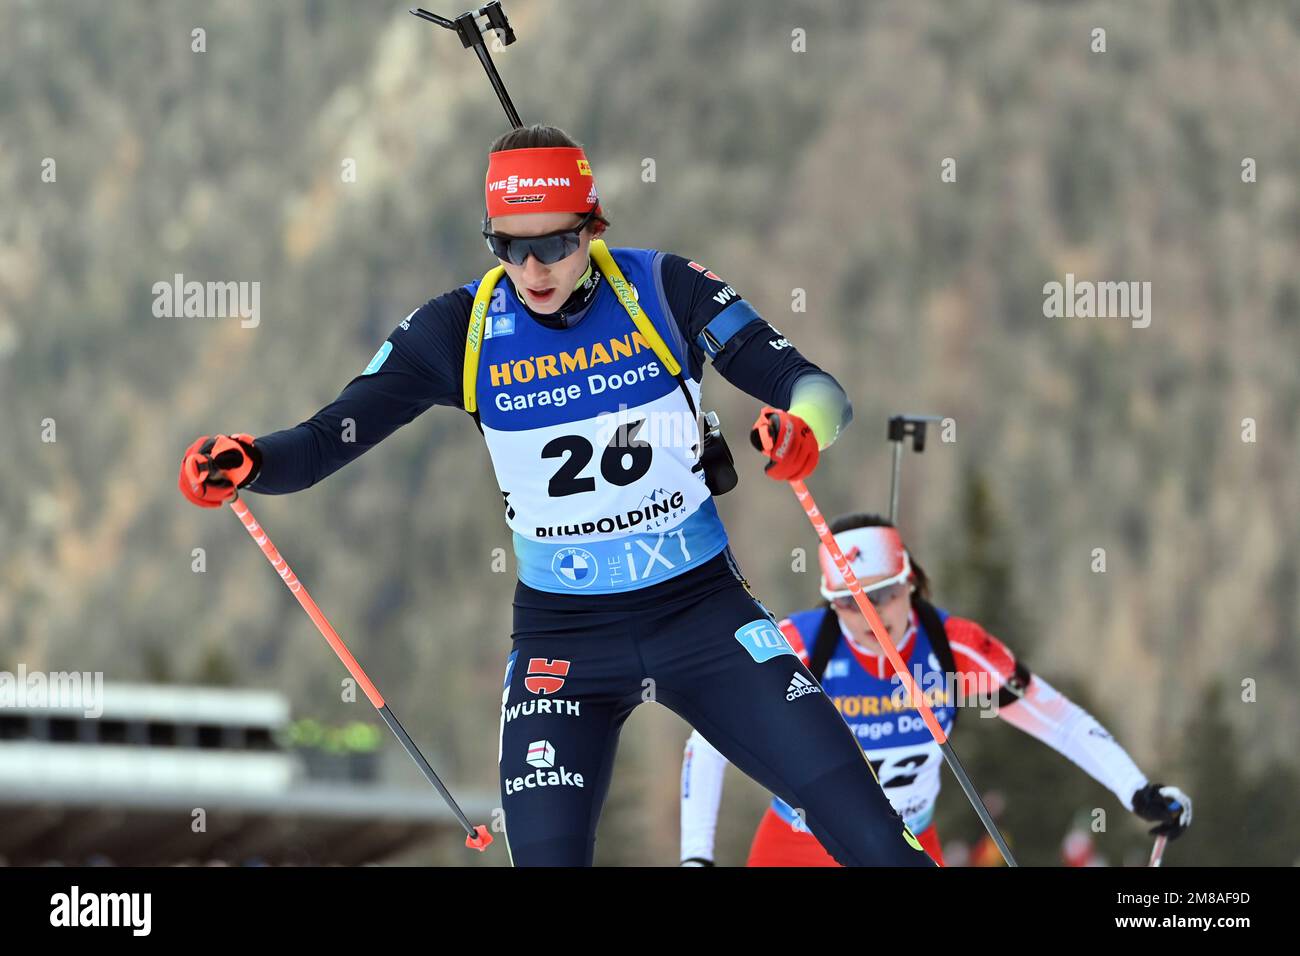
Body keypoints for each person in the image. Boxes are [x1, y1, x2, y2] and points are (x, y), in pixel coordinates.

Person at [178, 124, 931, 867]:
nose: (533, 268)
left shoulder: (665, 290)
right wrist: (247, 459)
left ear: (593, 228)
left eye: (556, 244)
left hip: (702, 614)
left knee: (872, 840)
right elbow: (321, 443)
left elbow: (816, 390)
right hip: (563, 642)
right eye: (509, 247)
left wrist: (801, 432)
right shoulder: (460, 329)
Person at [679, 513, 1192, 866]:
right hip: (798, 843)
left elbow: (1057, 718)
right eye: (849, 602)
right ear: (829, 602)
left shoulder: (954, 649)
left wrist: (1138, 791)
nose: (869, 614)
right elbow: (708, 740)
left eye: (882, 594)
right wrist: (696, 854)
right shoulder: (797, 647)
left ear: (912, 583)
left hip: (906, 841)